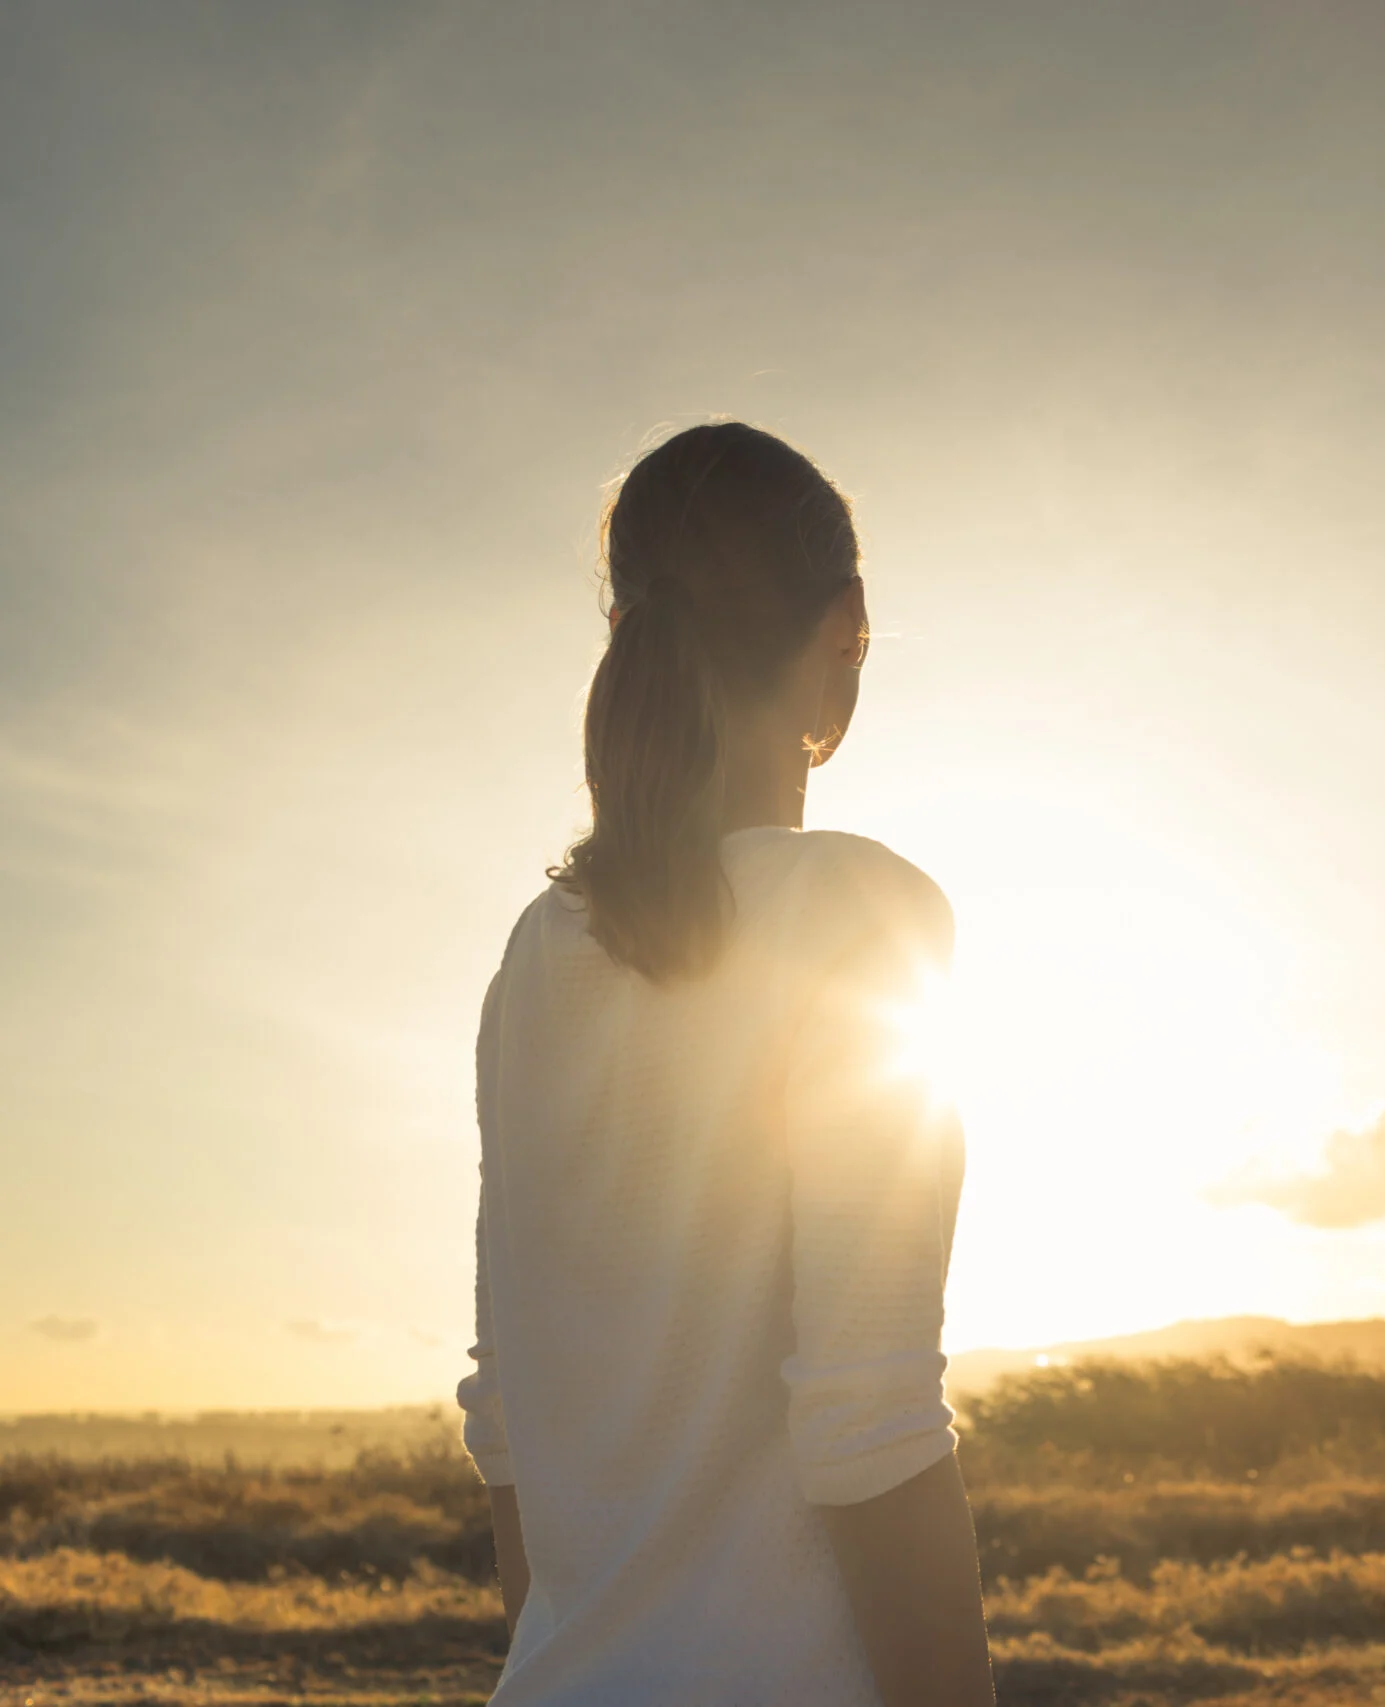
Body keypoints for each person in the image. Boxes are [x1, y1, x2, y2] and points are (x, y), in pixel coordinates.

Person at [456, 422, 996, 1707]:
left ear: (630, 630)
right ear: (846, 629)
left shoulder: (535, 957)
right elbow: (870, 1426)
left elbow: (508, 1424)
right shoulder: (860, 912)